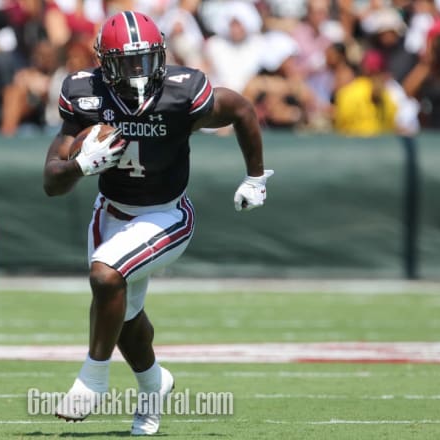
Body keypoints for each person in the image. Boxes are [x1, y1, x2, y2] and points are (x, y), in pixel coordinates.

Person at [42, 10, 273, 436]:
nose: (137, 71)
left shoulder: (181, 92)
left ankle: (92, 379)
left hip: (167, 215)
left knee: (106, 277)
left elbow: (241, 108)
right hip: (110, 212)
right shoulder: (84, 92)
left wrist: (256, 177)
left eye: (145, 59)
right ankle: (154, 387)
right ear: (104, 61)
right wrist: (79, 164)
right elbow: (51, 182)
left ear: (161, 54)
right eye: (126, 62)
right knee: (125, 317)